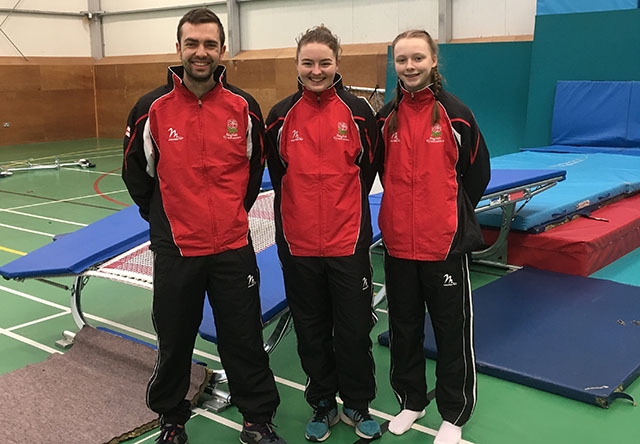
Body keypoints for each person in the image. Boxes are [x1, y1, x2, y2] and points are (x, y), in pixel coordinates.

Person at [122, 8, 286, 444]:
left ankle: (257, 420)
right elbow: (136, 175)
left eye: (209, 44)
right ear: (178, 49)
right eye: (192, 43)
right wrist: (163, 218)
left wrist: (232, 211)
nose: (200, 52)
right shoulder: (150, 110)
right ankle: (172, 420)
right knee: (174, 341)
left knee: (244, 339)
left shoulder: (243, 108)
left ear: (222, 50)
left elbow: (253, 173)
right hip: (177, 250)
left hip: (232, 247)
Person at [265, 25, 382, 442]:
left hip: (347, 242)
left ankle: (357, 403)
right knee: (311, 329)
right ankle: (322, 403)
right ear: (297, 64)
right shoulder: (279, 116)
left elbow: (366, 171)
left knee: (352, 329)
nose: (316, 71)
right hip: (297, 245)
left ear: (338, 64)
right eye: (308, 63)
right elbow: (281, 179)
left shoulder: (358, 113)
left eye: (324, 63)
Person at [376, 30, 491, 444]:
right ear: (395, 64)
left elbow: (478, 173)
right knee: (404, 329)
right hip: (398, 246)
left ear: (433, 60)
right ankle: (411, 401)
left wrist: (448, 216)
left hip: (442, 246)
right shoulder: (385, 117)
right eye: (402, 59)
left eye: (417, 58)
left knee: (451, 331)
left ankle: (454, 415)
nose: (409, 66)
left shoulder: (456, 114)